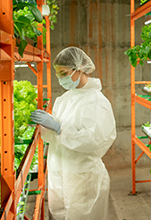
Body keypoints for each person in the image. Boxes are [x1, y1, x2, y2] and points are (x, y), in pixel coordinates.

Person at [30, 47, 116, 220]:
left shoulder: (96, 101)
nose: (60, 78)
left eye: (64, 73)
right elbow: (53, 138)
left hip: (83, 178)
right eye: (58, 74)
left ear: (80, 69)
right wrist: (44, 126)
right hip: (59, 175)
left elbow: (96, 141)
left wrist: (60, 129)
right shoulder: (64, 99)